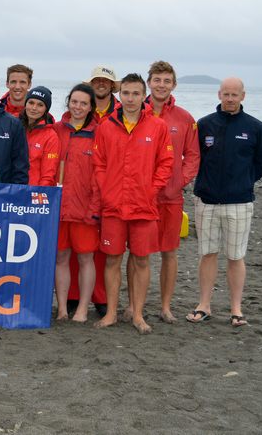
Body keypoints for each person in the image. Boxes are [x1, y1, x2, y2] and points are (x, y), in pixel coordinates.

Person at [93, 73, 174, 334]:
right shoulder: (106, 126)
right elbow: (99, 164)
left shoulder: (157, 126)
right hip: (114, 206)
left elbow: (166, 163)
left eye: (135, 94)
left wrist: (152, 189)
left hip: (144, 206)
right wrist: (107, 191)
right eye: (126, 93)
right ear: (120, 95)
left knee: (141, 261)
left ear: (143, 95)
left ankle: (138, 314)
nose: (130, 99)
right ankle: (112, 313)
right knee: (112, 260)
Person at [186, 77, 262, 327]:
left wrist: (241, 183)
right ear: (219, 94)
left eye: (235, 95)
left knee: (236, 256)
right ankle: (204, 305)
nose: (230, 99)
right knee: (208, 253)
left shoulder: (256, 128)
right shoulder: (204, 125)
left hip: (240, 202)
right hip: (207, 201)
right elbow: (194, 157)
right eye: (226, 94)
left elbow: (261, 163)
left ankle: (236, 309)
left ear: (243, 96)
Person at [139, 60, 200, 323]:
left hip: (171, 197)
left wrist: (178, 182)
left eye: (166, 81)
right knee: (138, 253)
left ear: (173, 84)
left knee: (169, 252)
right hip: (140, 196)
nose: (161, 85)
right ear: (148, 83)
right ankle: (134, 306)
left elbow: (193, 156)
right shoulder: (135, 112)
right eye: (156, 80)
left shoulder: (185, 118)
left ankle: (165, 306)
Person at [66, 64, 122, 316]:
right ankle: (72, 298)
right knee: (70, 253)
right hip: (70, 200)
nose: (101, 84)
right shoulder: (65, 124)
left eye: (106, 81)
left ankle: (99, 298)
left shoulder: (120, 114)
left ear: (112, 86)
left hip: (101, 197)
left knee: (99, 253)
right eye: (97, 80)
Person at [53, 84, 100, 322]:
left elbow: (102, 174)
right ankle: (62, 308)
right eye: (74, 101)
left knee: (85, 258)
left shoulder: (98, 133)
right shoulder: (55, 130)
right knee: (60, 257)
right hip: (58, 208)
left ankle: (82, 309)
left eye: (83, 103)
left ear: (91, 106)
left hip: (85, 210)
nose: (78, 107)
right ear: (68, 101)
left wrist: (95, 208)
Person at [19, 87, 59, 186]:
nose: (34, 108)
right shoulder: (15, 127)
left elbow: (48, 175)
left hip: (33, 192)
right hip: (12, 189)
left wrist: (38, 194)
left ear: (46, 109)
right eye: (31, 103)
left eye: (40, 105)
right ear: (25, 104)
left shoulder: (51, 136)